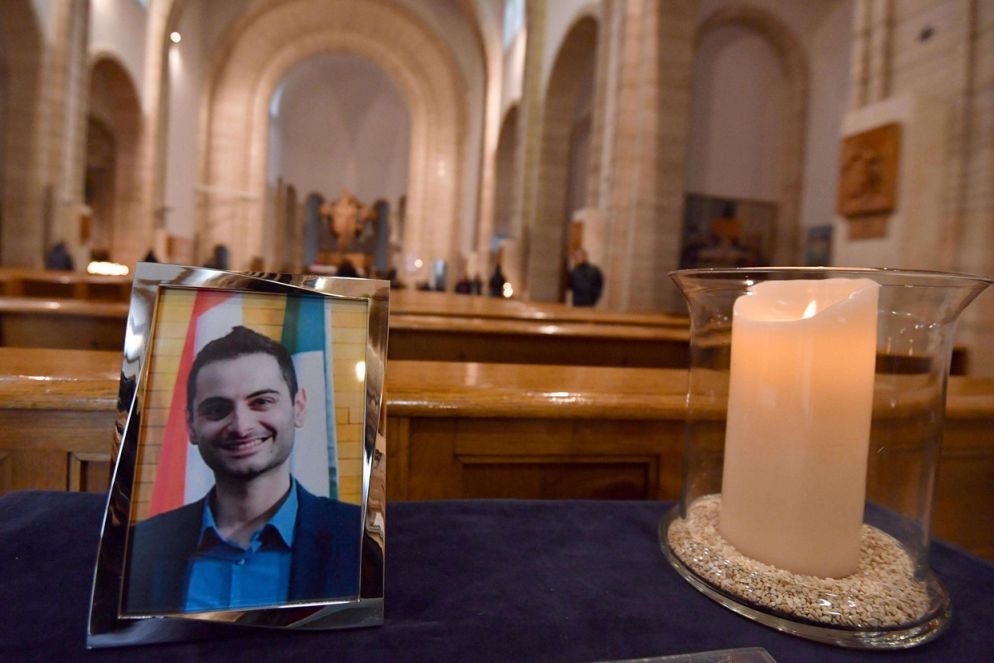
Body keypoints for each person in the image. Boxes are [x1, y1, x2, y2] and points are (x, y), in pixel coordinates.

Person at [126, 326, 360, 614]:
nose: (240, 426)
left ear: (298, 407)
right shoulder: (140, 545)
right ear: (191, 425)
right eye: (216, 409)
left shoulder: (359, 539)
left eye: (261, 401)